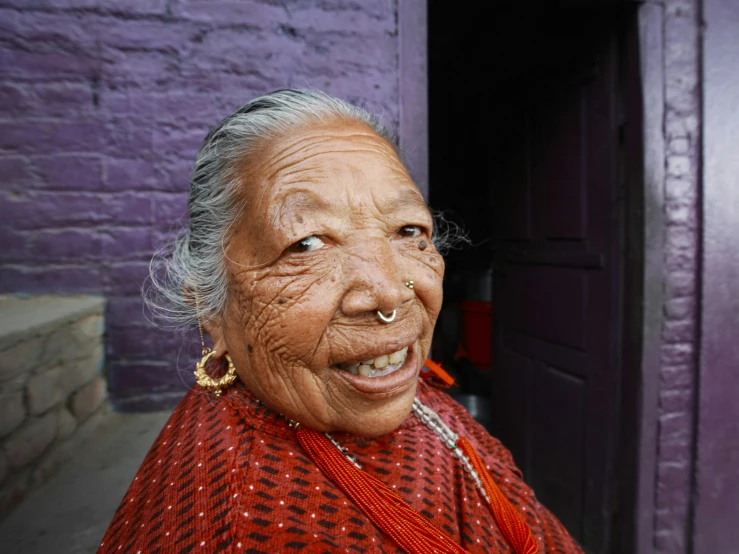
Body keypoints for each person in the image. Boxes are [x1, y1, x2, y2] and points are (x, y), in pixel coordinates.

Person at [98, 90, 582, 554]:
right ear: (211, 307)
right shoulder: (244, 527)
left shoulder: (381, 391)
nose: (391, 292)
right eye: (307, 243)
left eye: (408, 230)